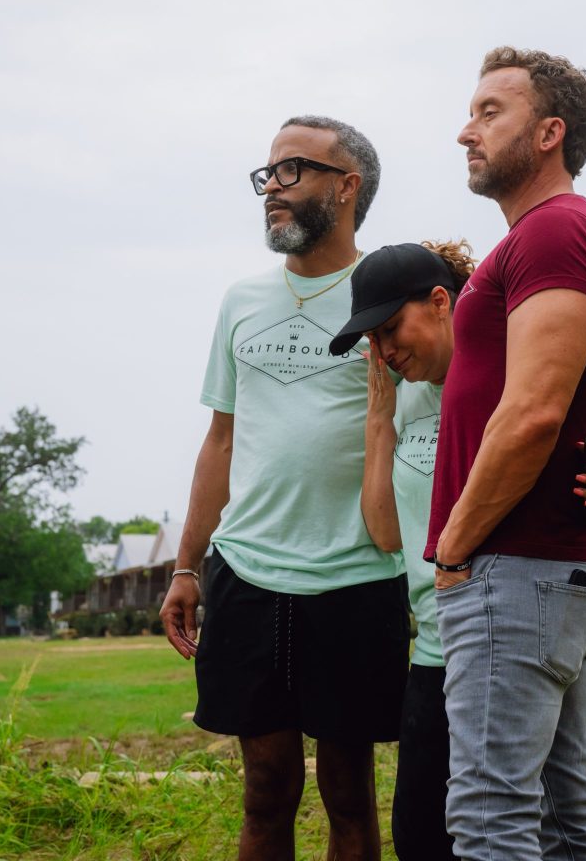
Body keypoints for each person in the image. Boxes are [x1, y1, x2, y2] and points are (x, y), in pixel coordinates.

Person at [330, 241, 586, 861]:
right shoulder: (404, 399)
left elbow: (568, 463)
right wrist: (378, 421)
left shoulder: (511, 372)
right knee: (422, 833)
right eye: (374, 339)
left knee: (527, 811)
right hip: (441, 637)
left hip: (522, 611)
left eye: (392, 328)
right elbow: (388, 534)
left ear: (441, 303)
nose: (386, 350)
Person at [158, 116, 407, 861]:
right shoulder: (240, 300)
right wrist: (185, 564)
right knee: (265, 787)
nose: (273, 187)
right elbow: (221, 439)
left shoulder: (386, 298)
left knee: (348, 795)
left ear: (347, 185)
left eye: (293, 170)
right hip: (249, 575)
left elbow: (430, 431)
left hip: (356, 576)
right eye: (267, 173)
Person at [427, 47, 586, 859]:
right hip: (545, 566)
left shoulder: (555, 231)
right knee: (558, 815)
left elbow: (533, 414)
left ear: (549, 133)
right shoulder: (557, 237)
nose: (465, 132)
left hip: (514, 566)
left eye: (491, 112)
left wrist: (454, 546)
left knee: (491, 817)